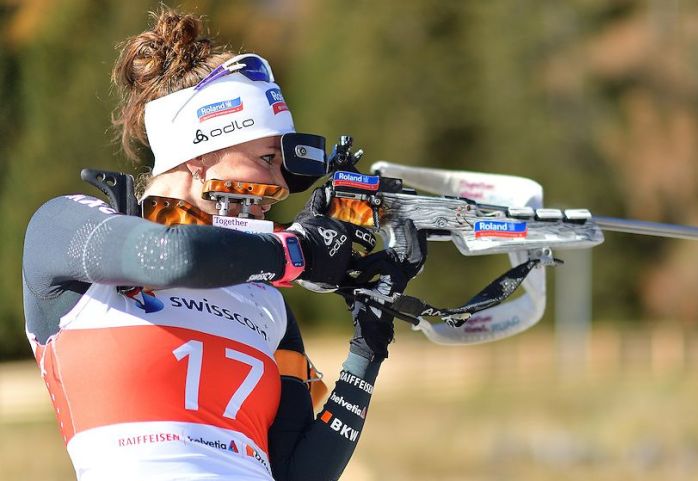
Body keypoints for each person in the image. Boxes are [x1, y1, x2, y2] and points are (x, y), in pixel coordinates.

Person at [22, 8, 424, 481]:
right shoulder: (66, 227)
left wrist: (367, 349)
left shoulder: (264, 300)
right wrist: (298, 251)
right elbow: (173, 255)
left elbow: (299, 474)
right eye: (267, 158)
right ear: (199, 153)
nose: (280, 183)